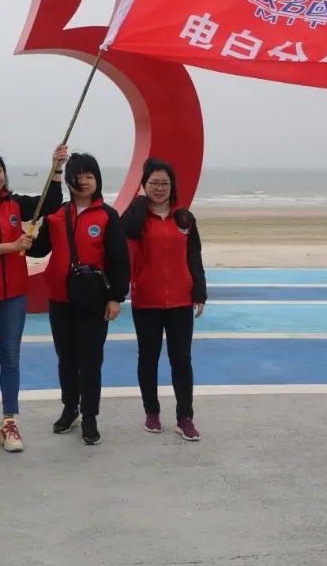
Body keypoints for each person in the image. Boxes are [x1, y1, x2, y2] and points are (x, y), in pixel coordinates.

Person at [0, 144, 68, 452]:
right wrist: (12, 246)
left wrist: (57, 167)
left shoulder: (15, 204)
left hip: (13, 297)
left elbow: (51, 202)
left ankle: (10, 421)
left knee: (11, 356)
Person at [27, 152, 130, 445]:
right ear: (69, 182)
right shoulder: (57, 215)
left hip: (94, 301)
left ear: (97, 180)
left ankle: (89, 416)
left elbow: (119, 260)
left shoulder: (107, 216)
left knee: (91, 360)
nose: (84, 181)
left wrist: (116, 298)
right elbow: (38, 249)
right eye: (78, 176)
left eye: (89, 176)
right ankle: (70, 408)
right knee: (66, 359)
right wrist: (26, 234)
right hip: (60, 299)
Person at [121, 158, 207, 441]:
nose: (159, 188)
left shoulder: (184, 219)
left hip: (180, 302)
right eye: (154, 183)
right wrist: (140, 200)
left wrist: (199, 292)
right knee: (148, 359)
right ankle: (152, 412)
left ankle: (185, 417)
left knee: (181, 360)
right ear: (144, 185)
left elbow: (194, 257)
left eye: (164, 183)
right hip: (147, 301)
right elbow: (125, 229)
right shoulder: (137, 218)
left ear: (173, 186)